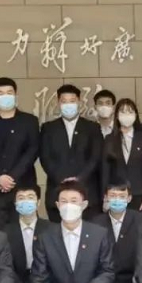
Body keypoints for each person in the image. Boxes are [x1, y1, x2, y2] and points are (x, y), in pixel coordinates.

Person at [0, 78, 40, 228]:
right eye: (1, 93)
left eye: (9, 93)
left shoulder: (29, 121)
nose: (5, 96)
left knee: (23, 228)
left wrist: (12, 177)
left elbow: (33, 150)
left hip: (23, 184)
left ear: (16, 95)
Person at [39, 84, 102, 222]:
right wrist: (61, 179)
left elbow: (95, 157)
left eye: (72, 101)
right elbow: (45, 158)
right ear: (58, 102)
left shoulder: (92, 127)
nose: (68, 105)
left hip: (87, 194)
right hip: (57, 192)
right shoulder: (48, 128)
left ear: (79, 102)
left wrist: (79, 179)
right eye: (64, 101)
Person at [91, 180, 142, 283]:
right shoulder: (96, 222)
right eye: (113, 196)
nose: (117, 200)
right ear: (105, 198)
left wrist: (140, 273)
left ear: (129, 198)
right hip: (111, 277)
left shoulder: (141, 220)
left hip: (135, 275)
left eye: (122, 196)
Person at [5, 185, 49, 283]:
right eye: (21, 198)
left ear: (38, 202)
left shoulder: (51, 229)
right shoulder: (5, 232)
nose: (25, 201)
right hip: (17, 281)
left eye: (30, 197)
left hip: (44, 281)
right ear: (15, 204)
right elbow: (4, 266)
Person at [101, 98, 142, 212]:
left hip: (138, 193)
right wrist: (105, 195)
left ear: (135, 115)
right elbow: (105, 170)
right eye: (123, 112)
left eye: (130, 112)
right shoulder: (110, 139)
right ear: (117, 115)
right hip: (116, 193)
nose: (126, 116)